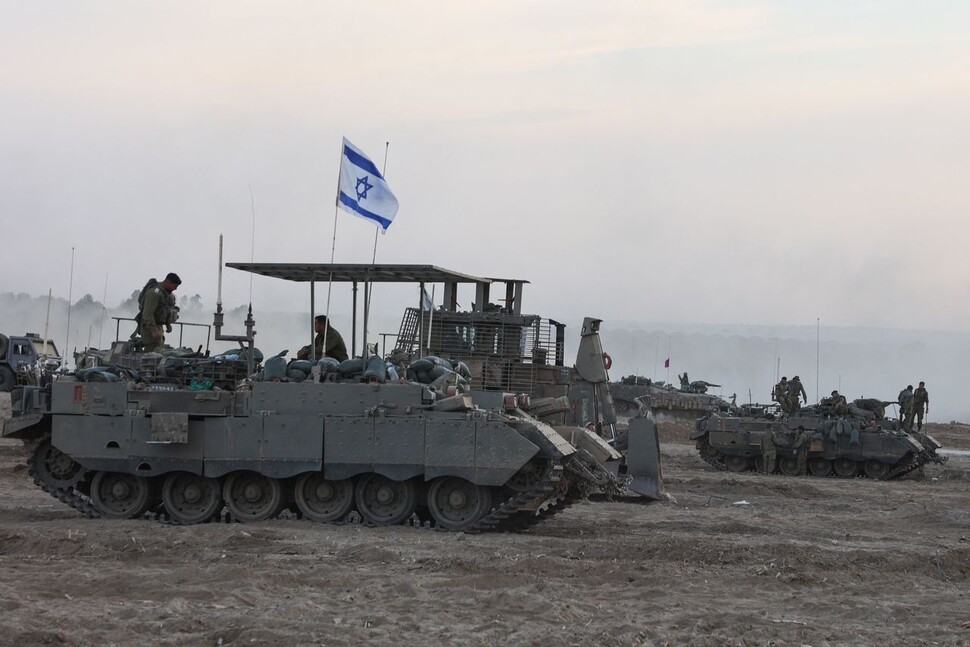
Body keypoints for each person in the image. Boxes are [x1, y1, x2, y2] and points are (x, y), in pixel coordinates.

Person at [137, 273, 181, 353]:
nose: (175, 289)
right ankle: (148, 365)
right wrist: (154, 330)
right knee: (153, 351)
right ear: (168, 282)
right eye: (175, 286)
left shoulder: (164, 293)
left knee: (159, 347)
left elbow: (165, 309)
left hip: (157, 325)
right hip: (149, 326)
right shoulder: (155, 293)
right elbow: (147, 314)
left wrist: (168, 323)